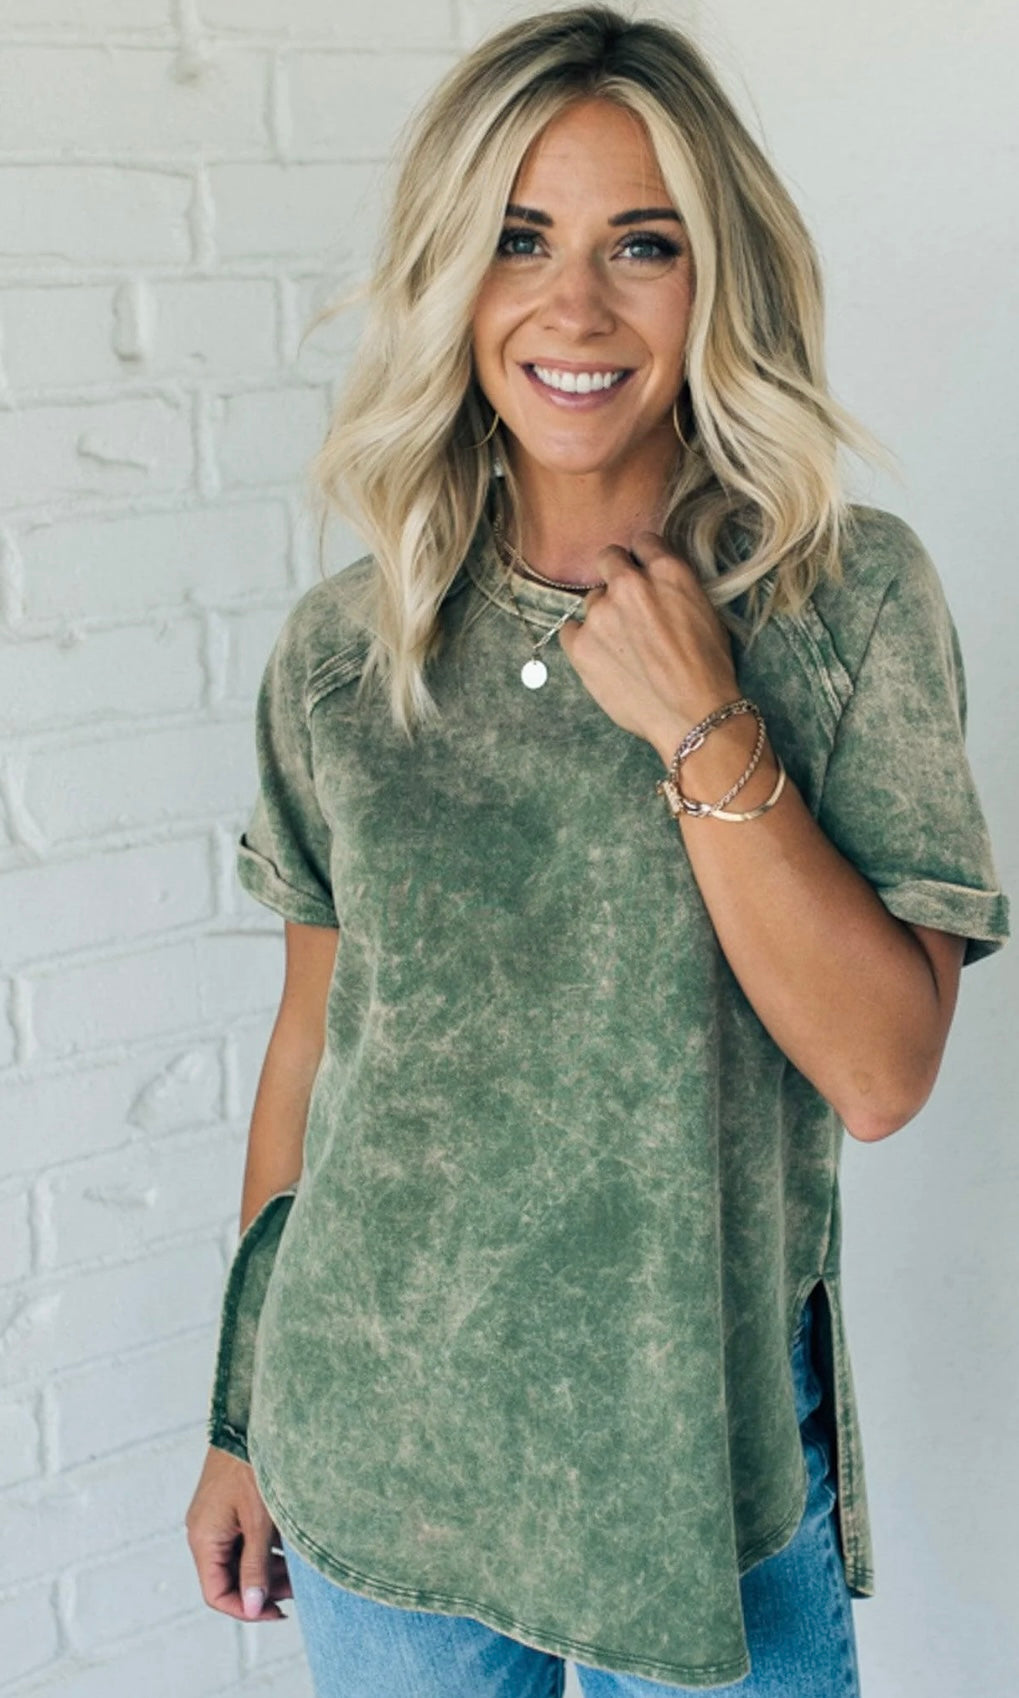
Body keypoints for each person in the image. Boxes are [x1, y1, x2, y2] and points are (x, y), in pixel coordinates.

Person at [184, 7, 1010, 1694]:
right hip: (378, 1452)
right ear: (451, 276)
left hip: (704, 1474)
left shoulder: (841, 603)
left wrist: (703, 723)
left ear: (720, 276)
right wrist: (240, 1413)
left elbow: (881, 1070)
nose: (575, 308)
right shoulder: (350, 647)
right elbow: (314, 1045)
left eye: (643, 243)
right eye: (519, 239)